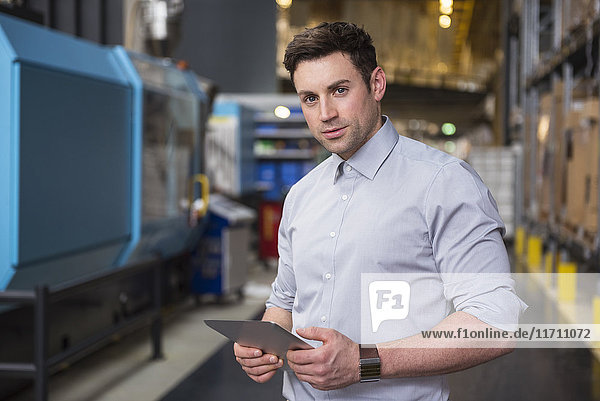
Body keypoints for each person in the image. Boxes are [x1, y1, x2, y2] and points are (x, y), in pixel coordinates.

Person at [234, 22, 526, 400]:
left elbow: (495, 321)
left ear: (376, 85)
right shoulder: (302, 195)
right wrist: (264, 341)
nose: (325, 113)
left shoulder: (443, 183)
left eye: (339, 91)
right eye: (309, 98)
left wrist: (364, 361)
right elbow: (285, 301)